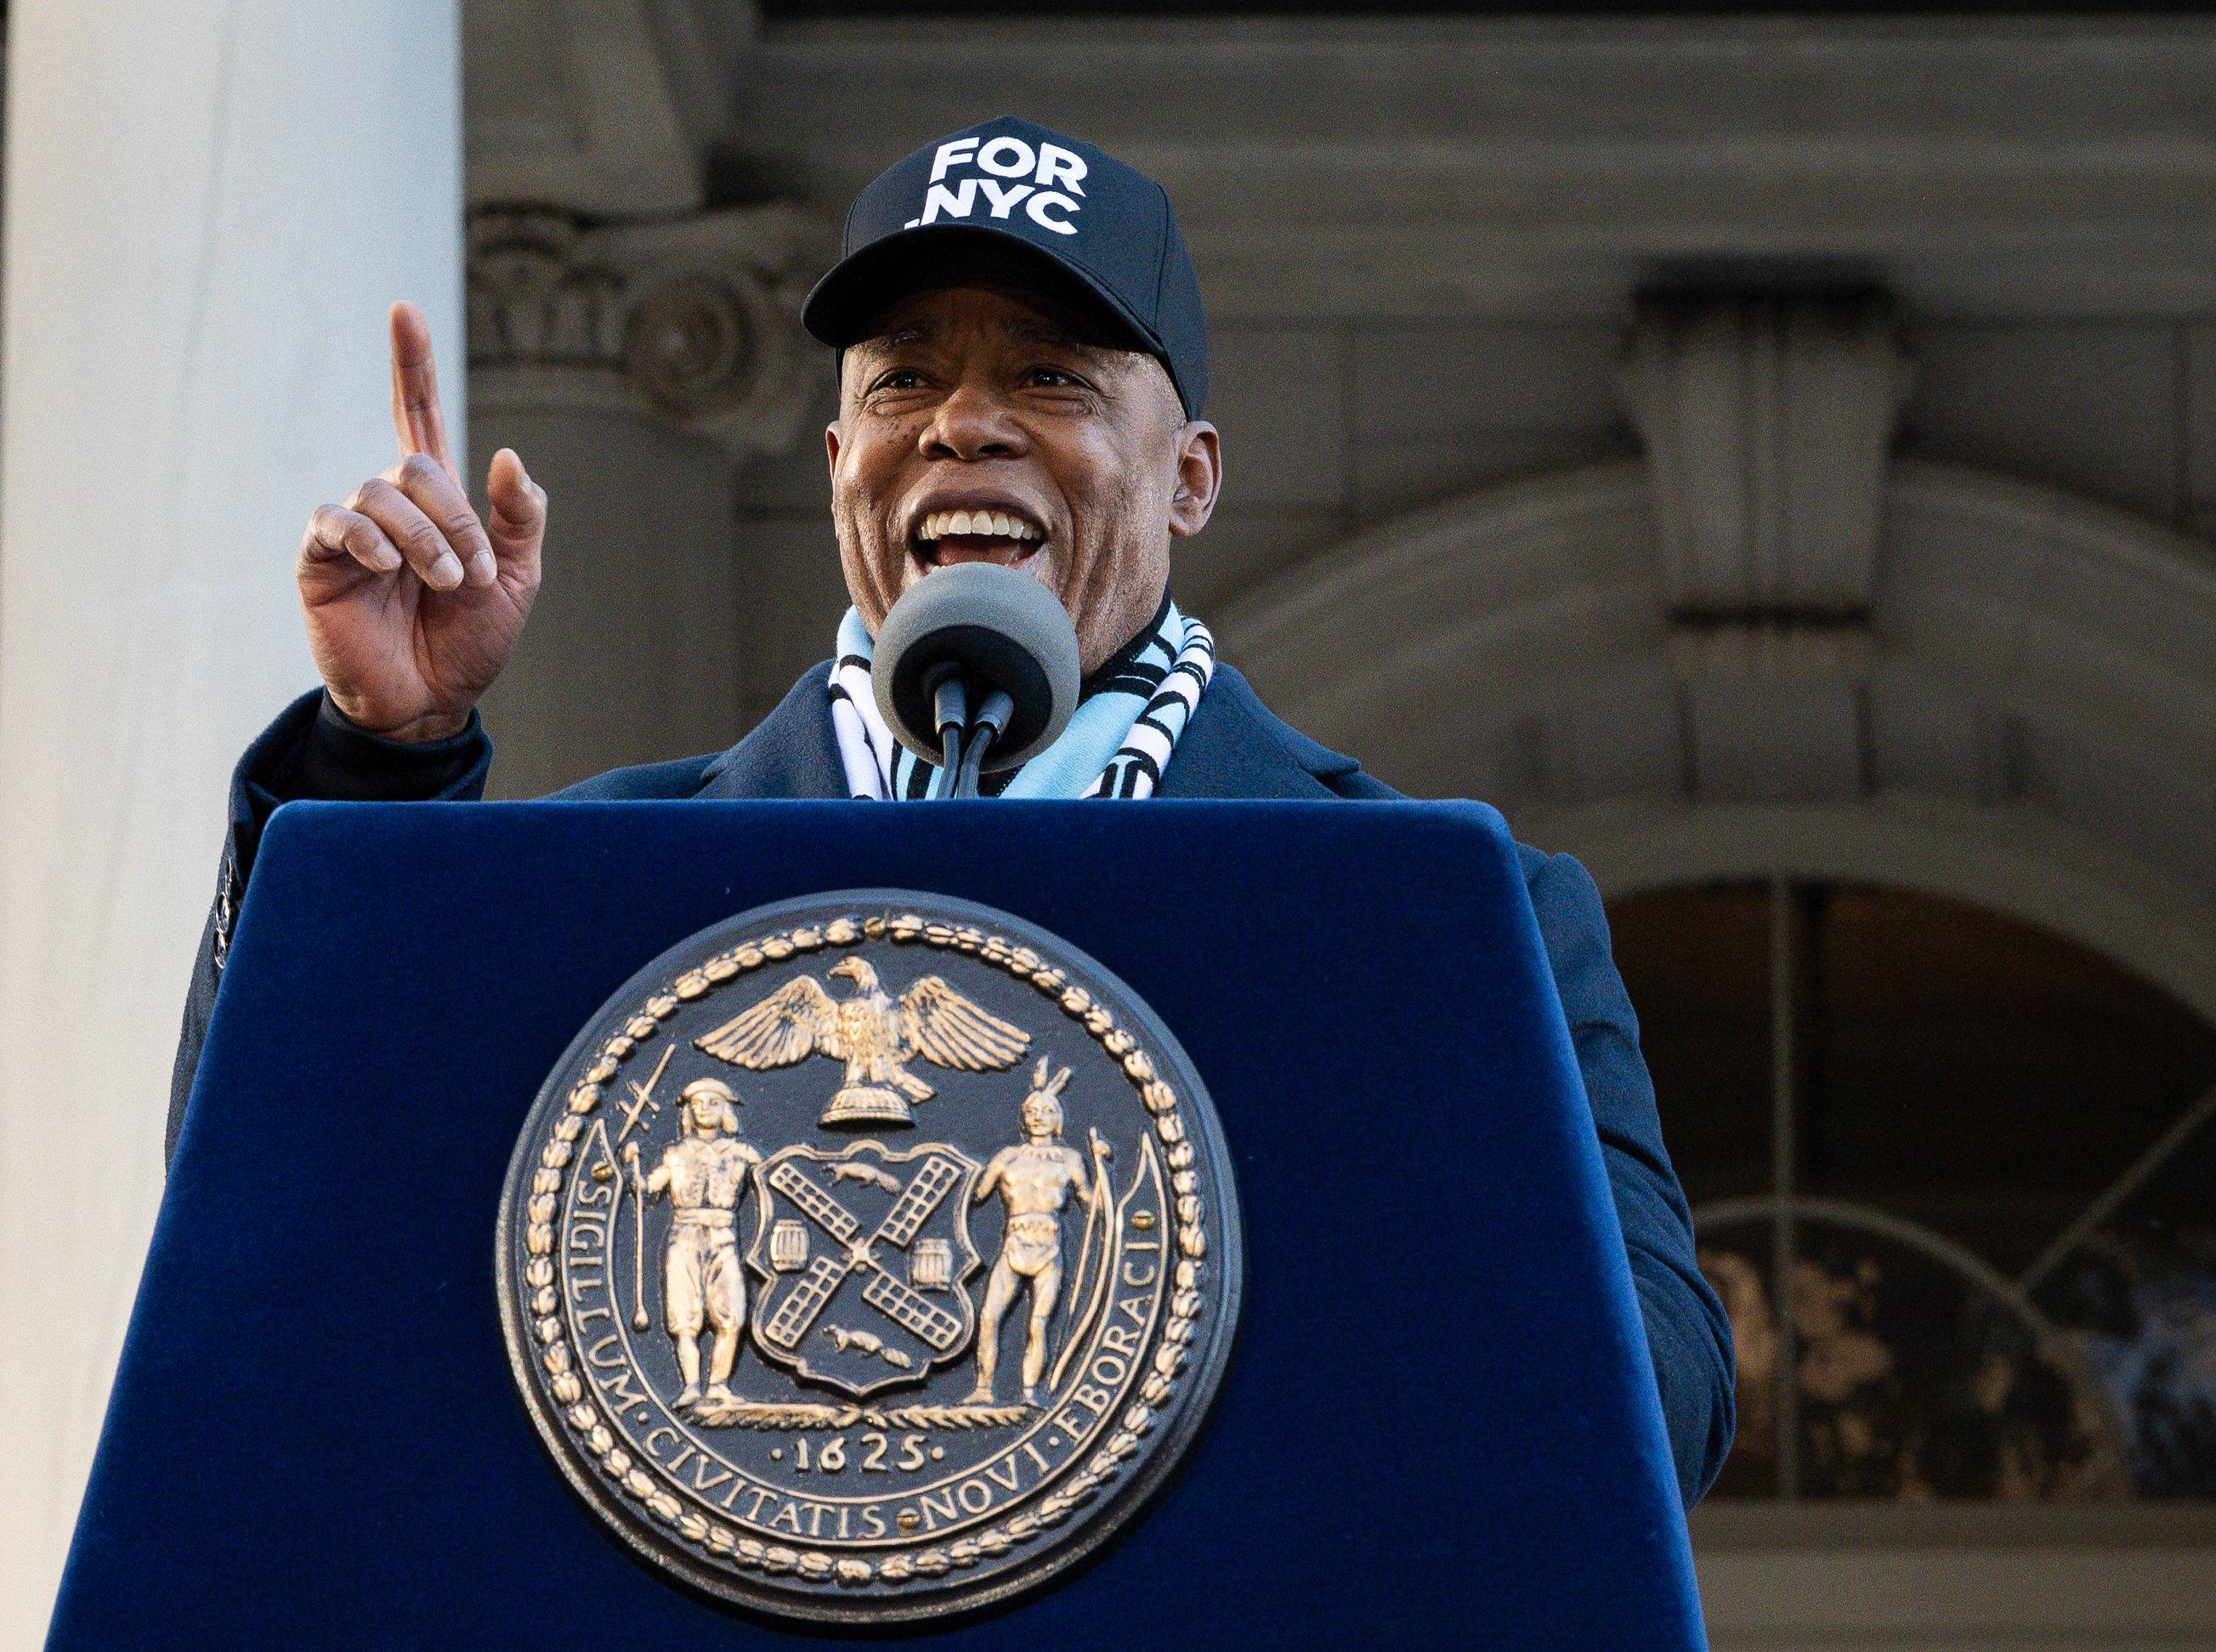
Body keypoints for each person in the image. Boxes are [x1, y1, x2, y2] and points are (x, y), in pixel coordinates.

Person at [169, 116, 1737, 1504]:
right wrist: (386, 750)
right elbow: (270, 1260)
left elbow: (1653, 1410)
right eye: (904, 375)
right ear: (843, 456)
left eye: (1051, 372)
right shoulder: (613, 897)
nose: (963, 420)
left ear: (1188, 475)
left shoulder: (1445, 917)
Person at [968, 1063, 1101, 1407]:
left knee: (1038, 1323)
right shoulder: (1007, 1157)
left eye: (1046, 1111)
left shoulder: (1071, 1159)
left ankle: (1030, 1393)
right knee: (988, 1317)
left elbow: (1092, 1202)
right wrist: (972, 1174)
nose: (1037, 1117)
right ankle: (983, 1388)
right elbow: (976, 1196)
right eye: (1030, 1111)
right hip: (1014, 1243)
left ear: (1058, 1117)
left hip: (1049, 1246)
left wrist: (1103, 1168)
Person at [635, 1078, 763, 1410]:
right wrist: (633, 1174)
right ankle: (691, 1386)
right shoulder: (675, 1153)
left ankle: (719, 1385)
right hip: (684, 1237)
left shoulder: (744, 1153)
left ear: (726, 1111)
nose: (704, 1109)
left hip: (724, 1237)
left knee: (731, 1315)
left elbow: (773, 1182)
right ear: (689, 1113)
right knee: (684, 1317)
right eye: (698, 1104)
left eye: (713, 1103)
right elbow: (650, 1189)